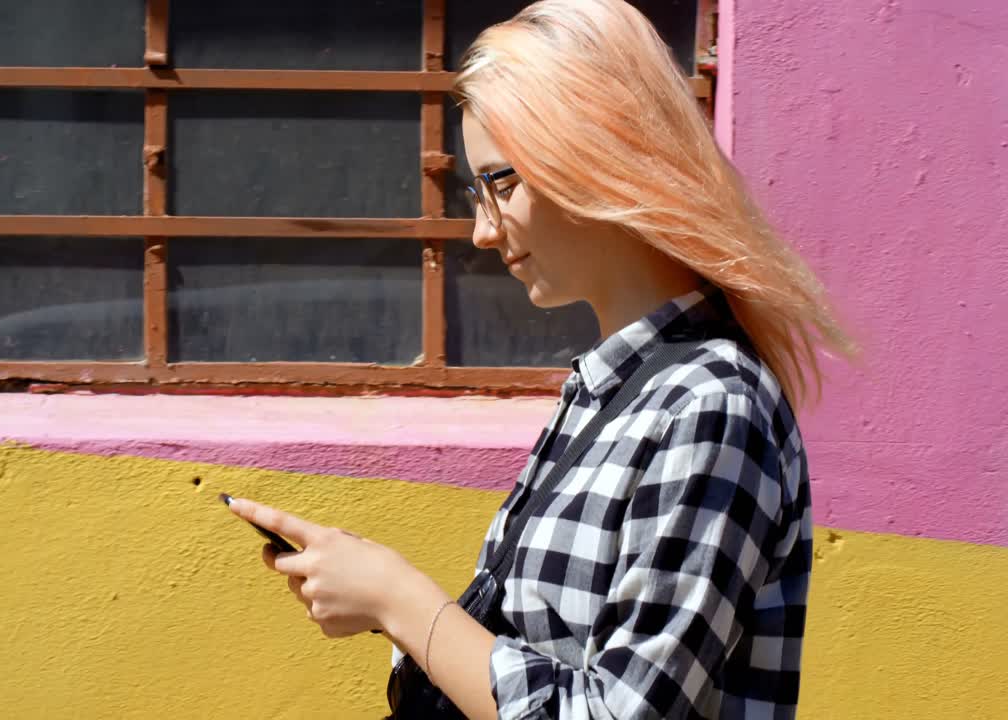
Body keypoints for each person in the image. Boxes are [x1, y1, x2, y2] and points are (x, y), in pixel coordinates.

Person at [224, 0, 856, 717]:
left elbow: (617, 712)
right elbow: (535, 658)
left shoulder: (709, 405)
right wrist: (376, 597)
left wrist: (402, 601)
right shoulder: (613, 391)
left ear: (597, 154)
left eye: (502, 183)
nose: (480, 233)